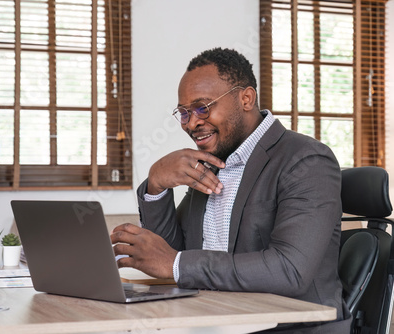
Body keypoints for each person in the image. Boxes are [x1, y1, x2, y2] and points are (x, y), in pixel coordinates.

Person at [111, 47, 351, 332]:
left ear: (245, 98)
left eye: (203, 107)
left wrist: (176, 264)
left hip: (290, 325)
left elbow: (290, 269)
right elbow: (172, 254)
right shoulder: (214, 163)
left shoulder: (306, 160)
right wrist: (156, 184)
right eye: (184, 113)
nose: (192, 123)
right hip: (217, 319)